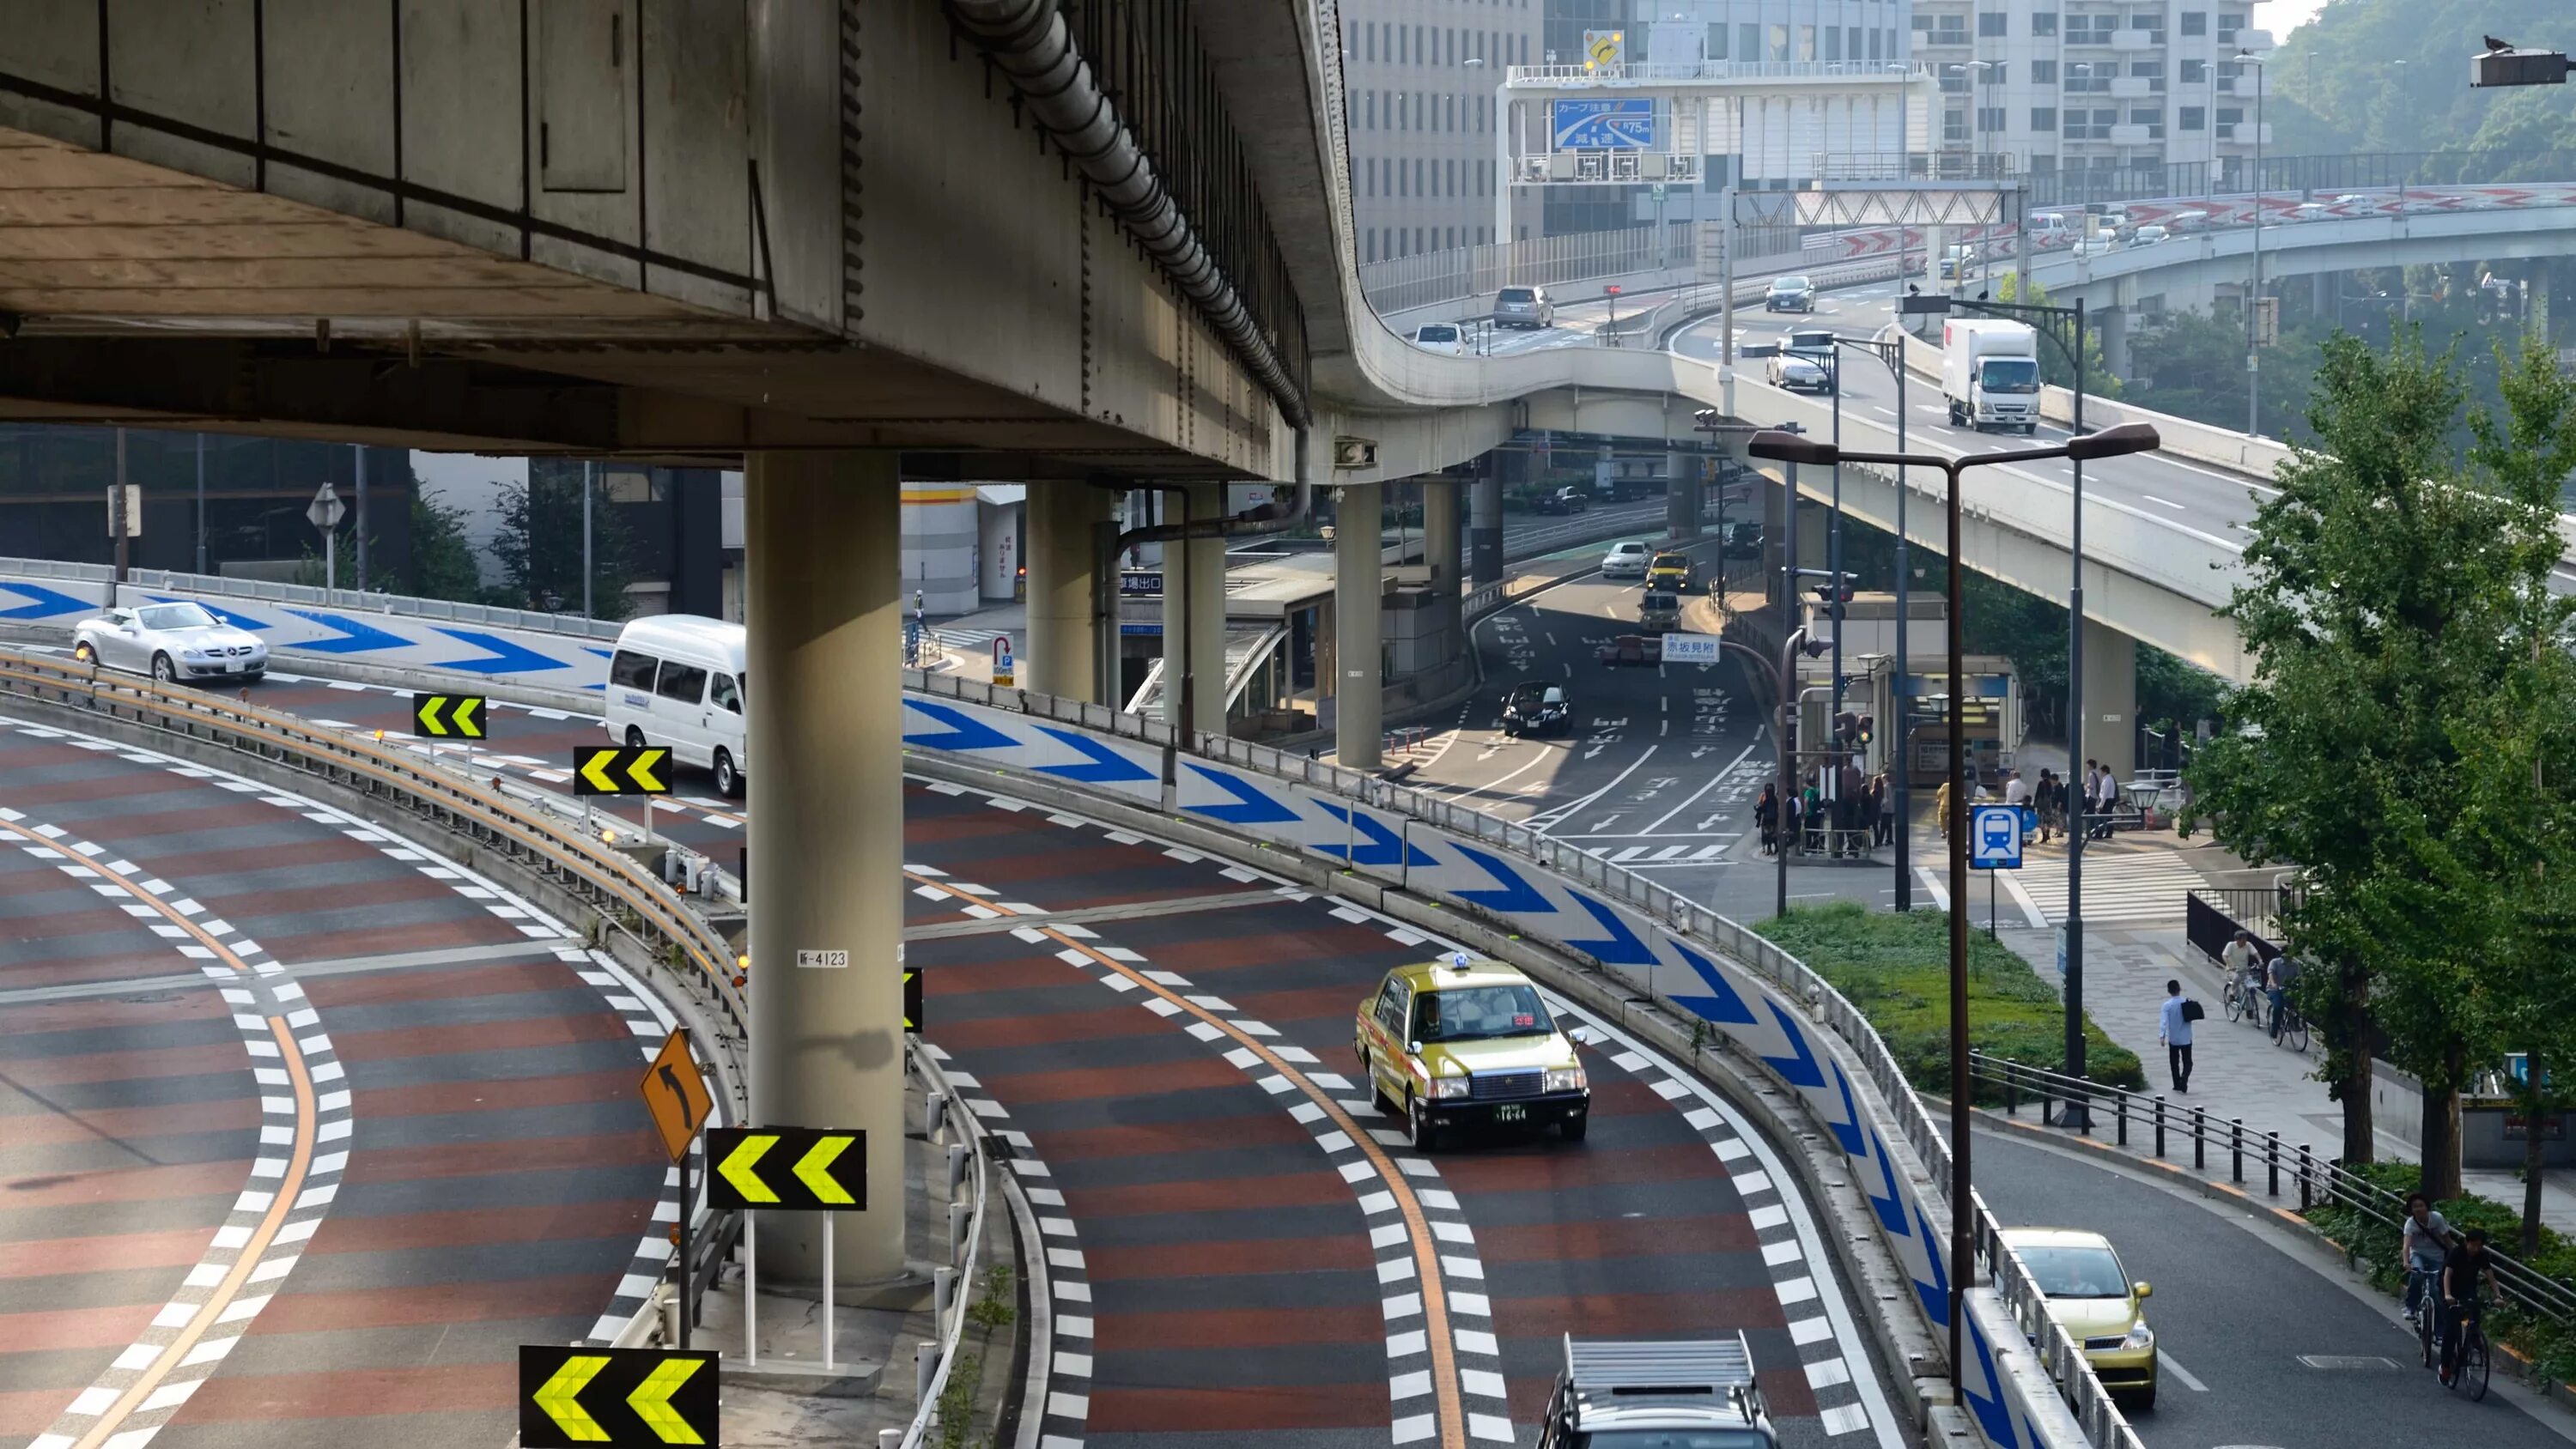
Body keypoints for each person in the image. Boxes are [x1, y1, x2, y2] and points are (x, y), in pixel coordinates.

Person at [2441, 1226, 2497, 1385]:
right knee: (2451, 1329)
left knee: (2475, 1310)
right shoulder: (2457, 1253)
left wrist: (2498, 1295)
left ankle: (2473, 1338)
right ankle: (2445, 1366)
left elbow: (2491, 1277)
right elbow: (2447, 1274)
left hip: (2468, 1289)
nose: (2476, 1248)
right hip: (2450, 1289)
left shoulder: (2482, 1256)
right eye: (2473, 1244)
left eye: (2480, 1245)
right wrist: (2447, 1295)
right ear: (2467, 1242)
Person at [2400, 1191, 2453, 1325]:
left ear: (2427, 1207)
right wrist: (2406, 1262)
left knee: (2436, 1292)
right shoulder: (2411, 1223)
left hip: (2437, 1257)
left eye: (2421, 1205)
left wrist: (2452, 1258)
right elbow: (2406, 1246)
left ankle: (2439, 1330)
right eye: (2415, 1206)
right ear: (2411, 1210)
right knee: (2417, 1274)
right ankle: (2410, 1307)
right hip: (2418, 1254)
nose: (2418, 1209)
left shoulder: (2437, 1219)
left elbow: (2447, 1240)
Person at [2157, 978, 2195, 1092]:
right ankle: (2184, 1078)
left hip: (2173, 1038)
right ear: (2180, 989)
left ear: (2169, 991)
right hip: (2186, 1037)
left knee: (2174, 1062)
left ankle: (2177, 1084)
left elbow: (2163, 1021)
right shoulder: (2187, 1002)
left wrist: (2162, 1036)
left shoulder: (2167, 1005)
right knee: (2188, 1062)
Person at [2221, 930, 2265, 1025]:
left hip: (2245, 971)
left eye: (2245, 940)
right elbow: (2224, 955)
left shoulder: (2248, 945)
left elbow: (2255, 953)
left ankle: (2250, 1010)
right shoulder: (2231, 945)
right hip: (2232, 970)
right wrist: (2230, 964)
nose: (2245, 942)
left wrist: (2260, 961)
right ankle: (2232, 994)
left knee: (2251, 989)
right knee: (2236, 978)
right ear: (2237, 940)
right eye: (2243, 940)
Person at [2267, 951, 2302, 1042]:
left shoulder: (2295, 965)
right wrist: (2273, 983)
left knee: (2295, 1003)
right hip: (2275, 989)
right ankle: (2274, 1029)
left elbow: (2299, 976)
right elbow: (2271, 973)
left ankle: (2295, 1024)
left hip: (2288, 989)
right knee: (2278, 1006)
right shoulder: (2275, 962)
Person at [1755, 783, 1780, 856]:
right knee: (1773, 834)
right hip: (1774, 819)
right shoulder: (1775, 799)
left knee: (1768, 834)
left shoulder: (1766, 799)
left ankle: (1769, 849)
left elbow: (1762, 808)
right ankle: (1775, 848)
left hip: (1767, 820)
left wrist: (1758, 809)